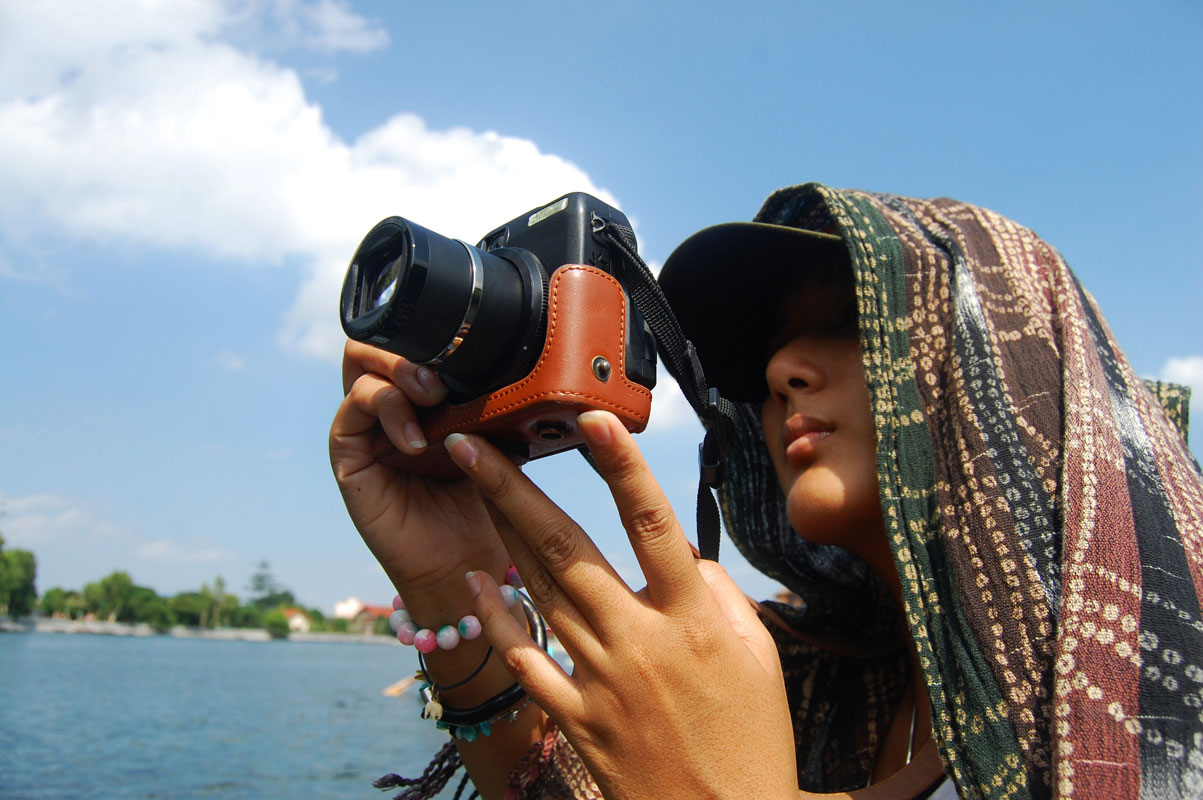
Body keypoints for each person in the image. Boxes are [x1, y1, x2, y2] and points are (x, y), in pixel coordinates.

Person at [330, 183, 1202, 800]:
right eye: (763, 354)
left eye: (851, 319)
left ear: (1006, 364)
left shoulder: (1166, 675)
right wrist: (450, 572)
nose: (780, 370)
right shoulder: (791, 680)